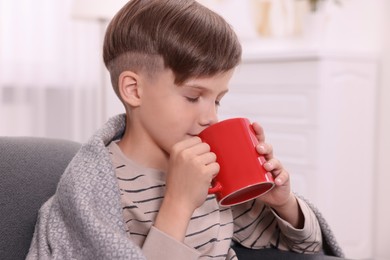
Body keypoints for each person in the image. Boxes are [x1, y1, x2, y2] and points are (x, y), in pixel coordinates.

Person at [27, 0, 343, 259]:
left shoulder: (212, 169)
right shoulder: (96, 188)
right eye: (193, 97)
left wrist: (282, 203)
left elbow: (306, 247)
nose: (210, 118)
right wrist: (178, 202)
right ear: (134, 90)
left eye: (218, 100)